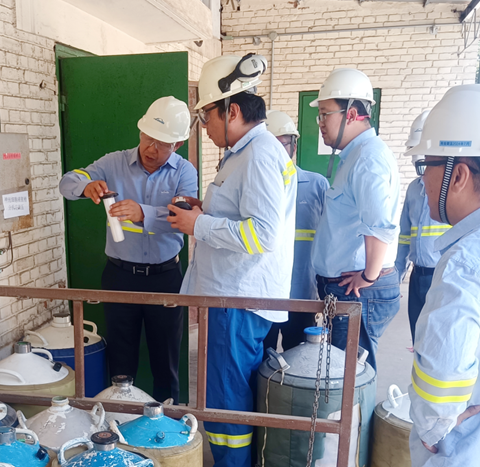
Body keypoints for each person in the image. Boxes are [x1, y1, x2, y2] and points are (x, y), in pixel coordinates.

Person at [168, 54, 296, 467]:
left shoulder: (258, 154)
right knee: (233, 398)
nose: (204, 127)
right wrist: (203, 210)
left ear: (232, 111)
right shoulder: (244, 152)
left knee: (226, 407)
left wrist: (199, 225)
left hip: (236, 301)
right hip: (233, 297)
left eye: (206, 116)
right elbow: (242, 215)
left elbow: (262, 234)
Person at [58, 96, 197, 403]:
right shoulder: (113, 163)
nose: (151, 149)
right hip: (120, 276)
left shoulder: (184, 172)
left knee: (166, 359)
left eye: (162, 144)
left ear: (177, 145)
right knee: (120, 360)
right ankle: (119, 416)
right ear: (140, 131)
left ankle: (167, 418)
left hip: (165, 278)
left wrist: (142, 213)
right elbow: (68, 182)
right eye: (148, 138)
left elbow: (184, 218)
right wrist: (85, 186)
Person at [406, 83, 480, 467]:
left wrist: (433, 427)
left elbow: (440, 379)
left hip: (464, 445)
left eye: (427, 166)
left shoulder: (464, 263)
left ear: (458, 176)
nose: (422, 181)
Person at [310, 68, 400, 372]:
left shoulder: (368, 158)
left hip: (358, 291)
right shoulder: (356, 156)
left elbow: (379, 225)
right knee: (344, 375)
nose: (320, 124)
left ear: (350, 114)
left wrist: (369, 277)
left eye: (325, 114)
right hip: (350, 288)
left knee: (351, 378)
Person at [263, 110, 330, 353]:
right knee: (263, 360)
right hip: (265, 295)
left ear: (294, 145)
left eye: (282, 144)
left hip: (302, 294)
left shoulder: (317, 185)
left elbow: (329, 240)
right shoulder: (256, 188)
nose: (277, 152)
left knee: (300, 360)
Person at [394, 111, 451, 343]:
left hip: (442, 276)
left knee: (437, 341)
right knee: (418, 338)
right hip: (418, 276)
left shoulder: (455, 193)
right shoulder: (413, 190)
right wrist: (397, 275)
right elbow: (404, 237)